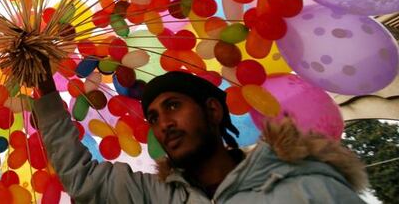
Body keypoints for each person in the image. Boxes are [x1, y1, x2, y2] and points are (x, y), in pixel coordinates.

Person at [33, 69, 368, 203]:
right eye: (153, 117)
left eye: (174, 106)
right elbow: (82, 177)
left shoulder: (302, 185)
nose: (164, 123)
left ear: (213, 111)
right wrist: (44, 87)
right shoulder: (157, 195)